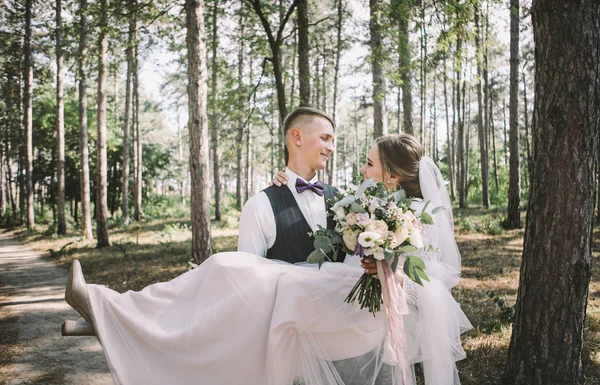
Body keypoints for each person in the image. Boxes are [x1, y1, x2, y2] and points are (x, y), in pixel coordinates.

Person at [63, 128, 472, 385]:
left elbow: (426, 281)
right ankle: (108, 312)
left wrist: (385, 264)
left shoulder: (413, 218)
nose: (361, 168)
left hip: (357, 306)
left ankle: (109, 313)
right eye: (326, 139)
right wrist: (283, 184)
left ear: (392, 176)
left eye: (368, 163)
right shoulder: (372, 203)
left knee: (247, 283)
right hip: (337, 289)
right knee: (232, 271)